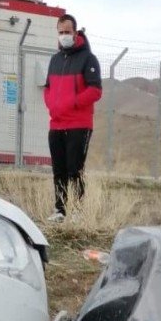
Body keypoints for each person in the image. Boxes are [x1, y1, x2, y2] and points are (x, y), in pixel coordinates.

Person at [43, 14, 102, 222]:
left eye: (67, 32)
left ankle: (77, 210)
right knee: (59, 170)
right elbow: (47, 88)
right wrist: (52, 105)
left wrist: (73, 102)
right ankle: (60, 210)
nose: (64, 36)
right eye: (61, 32)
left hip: (79, 124)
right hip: (57, 123)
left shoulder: (88, 58)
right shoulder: (55, 60)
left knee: (74, 169)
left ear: (75, 33)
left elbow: (95, 91)